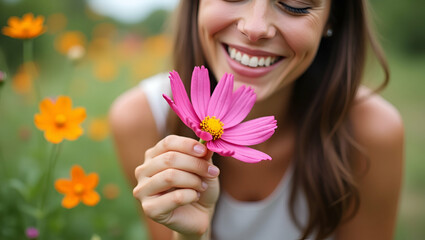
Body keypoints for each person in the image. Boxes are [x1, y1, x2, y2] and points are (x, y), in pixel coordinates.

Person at [109, 0, 404, 239]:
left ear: (332, 19)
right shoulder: (140, 119)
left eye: (295, 4)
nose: (254, 28)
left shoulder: (372, 132)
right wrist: (190, 237)